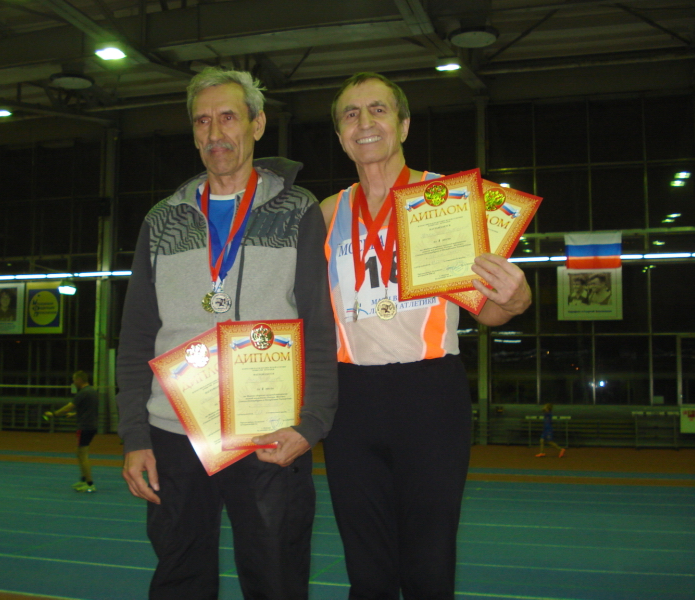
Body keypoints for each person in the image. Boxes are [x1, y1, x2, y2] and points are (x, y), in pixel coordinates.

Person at [116, 67, 337, 600]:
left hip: (268, 431)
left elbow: (318, 324)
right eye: (202, 121)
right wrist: (136, 438)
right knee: (179, 579)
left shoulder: (297, 209)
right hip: (174, 432)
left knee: (277, 578)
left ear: (257, 125)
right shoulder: (162, 221)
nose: (215, 133)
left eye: (228, 118)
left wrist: (311, 423)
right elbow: (137, 335)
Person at [320, 72, 532, 600]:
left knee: (429, 566)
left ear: (404, 124)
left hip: (430, 395)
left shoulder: (449, 200)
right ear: (340, 135)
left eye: (378, 110)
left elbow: (491, 310)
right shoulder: (325, 214)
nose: (365, 123)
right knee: (366, 571)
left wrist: (516, 297)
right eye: (350, 114)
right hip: (350, 400)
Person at [44, 371, 99, 493]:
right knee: (79, 452)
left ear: (79, 380)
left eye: (74, 380)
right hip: (91, 426)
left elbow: (69, 406)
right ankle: (83, 480)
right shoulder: (92, 391)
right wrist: (74, 414)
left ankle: (89, 484)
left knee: (83, 455)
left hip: (84, 427)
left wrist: (54, 414)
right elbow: (88, 408)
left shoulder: (82, 393)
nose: (73, 382)